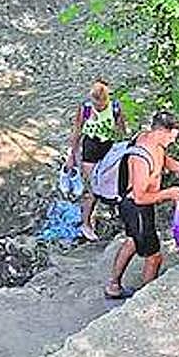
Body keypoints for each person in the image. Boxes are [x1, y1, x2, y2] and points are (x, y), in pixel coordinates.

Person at [105, 111, 179, 300]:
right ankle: (146, 299)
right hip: (135, 207)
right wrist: (169, 193)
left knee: (132, 240)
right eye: (171, 137)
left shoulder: (152, 140)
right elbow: (139, 197)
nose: (172, 142)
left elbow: (162, 159)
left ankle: (113, 286)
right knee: (154, 257)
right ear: (162, 131)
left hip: (138, 205)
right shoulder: (140, 157)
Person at [67, 79, 127, 241]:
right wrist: (71, 156)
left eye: (102, 104)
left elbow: (122, 131)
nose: (100, 107)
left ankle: (118, 214)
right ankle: (86, 223)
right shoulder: (85, 109)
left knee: (115, 182)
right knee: (93, 189)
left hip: (108, 146)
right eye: (97, 104)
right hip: (91, 147)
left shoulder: (115, 107)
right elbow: (77, 132)